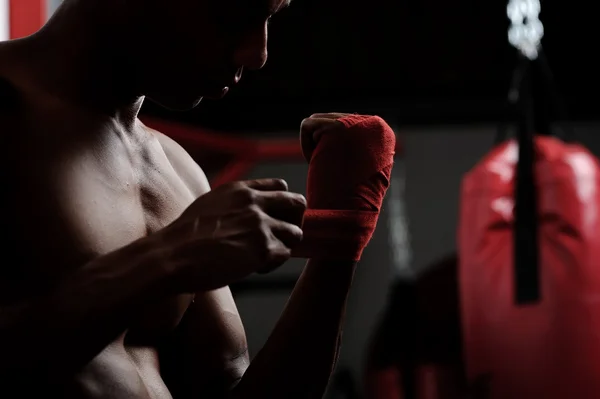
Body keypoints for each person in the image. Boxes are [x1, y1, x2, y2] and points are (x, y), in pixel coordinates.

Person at [0, 0, 396, 398]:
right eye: (230, 13)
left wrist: (342, 236)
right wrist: (163, 261)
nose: (257, 55)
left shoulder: (176, 167)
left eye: (269, 18)